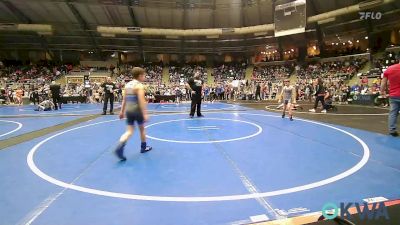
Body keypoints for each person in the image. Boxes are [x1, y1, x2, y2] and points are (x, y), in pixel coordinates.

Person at [114, 67, 152, 161]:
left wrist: (122, 112)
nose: (144, 77)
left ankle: (121, 146)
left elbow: (124, 100)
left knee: (129, 131)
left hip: (129, 111)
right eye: (144, 75)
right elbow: (141, 101)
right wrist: (145, 113)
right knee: (142, 129)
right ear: (139, 76)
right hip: (137, 111)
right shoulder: (139, 86)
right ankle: (143, 147)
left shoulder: (127, 85)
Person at [381, 63, 400, 137]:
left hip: (394, 95)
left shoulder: (390, 69)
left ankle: (392, 130)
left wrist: (382, 91)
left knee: (393, 113)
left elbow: (383, 82)